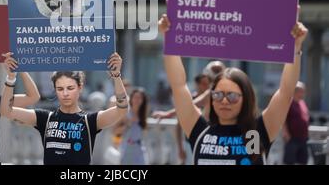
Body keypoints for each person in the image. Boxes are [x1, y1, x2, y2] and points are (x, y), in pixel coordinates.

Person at [159, 14, 308, 165]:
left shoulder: (258, 132)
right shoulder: (198, 130)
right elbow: (178, 86)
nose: (224, 101)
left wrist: (295, 48)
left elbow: (286, 92)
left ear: (246, 98)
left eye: (232, 96)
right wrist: (168, 38)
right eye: (217, 95)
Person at [0, 52, 129, 165]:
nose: (65, 93)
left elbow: (122, 109)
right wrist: (12, 77)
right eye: (60, 89)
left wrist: (116, 76)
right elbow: (6, 110)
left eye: (70, 88)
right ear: (55, 90)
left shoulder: (90, 121)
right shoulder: (45, 118)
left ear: (80, 87)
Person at [119, 88, 149, 165]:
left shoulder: (143, 115)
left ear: (143, 100)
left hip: (140, 149)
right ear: (131, 98)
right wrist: (128, 123)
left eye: (140, 98)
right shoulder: (125, 113)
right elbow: (115, 131)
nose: (137, 100)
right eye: (135, 97)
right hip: (126, 148)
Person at [283, 81, 310, 165]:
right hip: (292, 138)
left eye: (303, 91)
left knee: (303, 161)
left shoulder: (303, 103)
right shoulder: (289, 103)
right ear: (295, 91)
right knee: (290, 161)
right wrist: (286, 133)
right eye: (301, 91)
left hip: (303, 138)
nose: (303, 93)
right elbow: (283, 119)